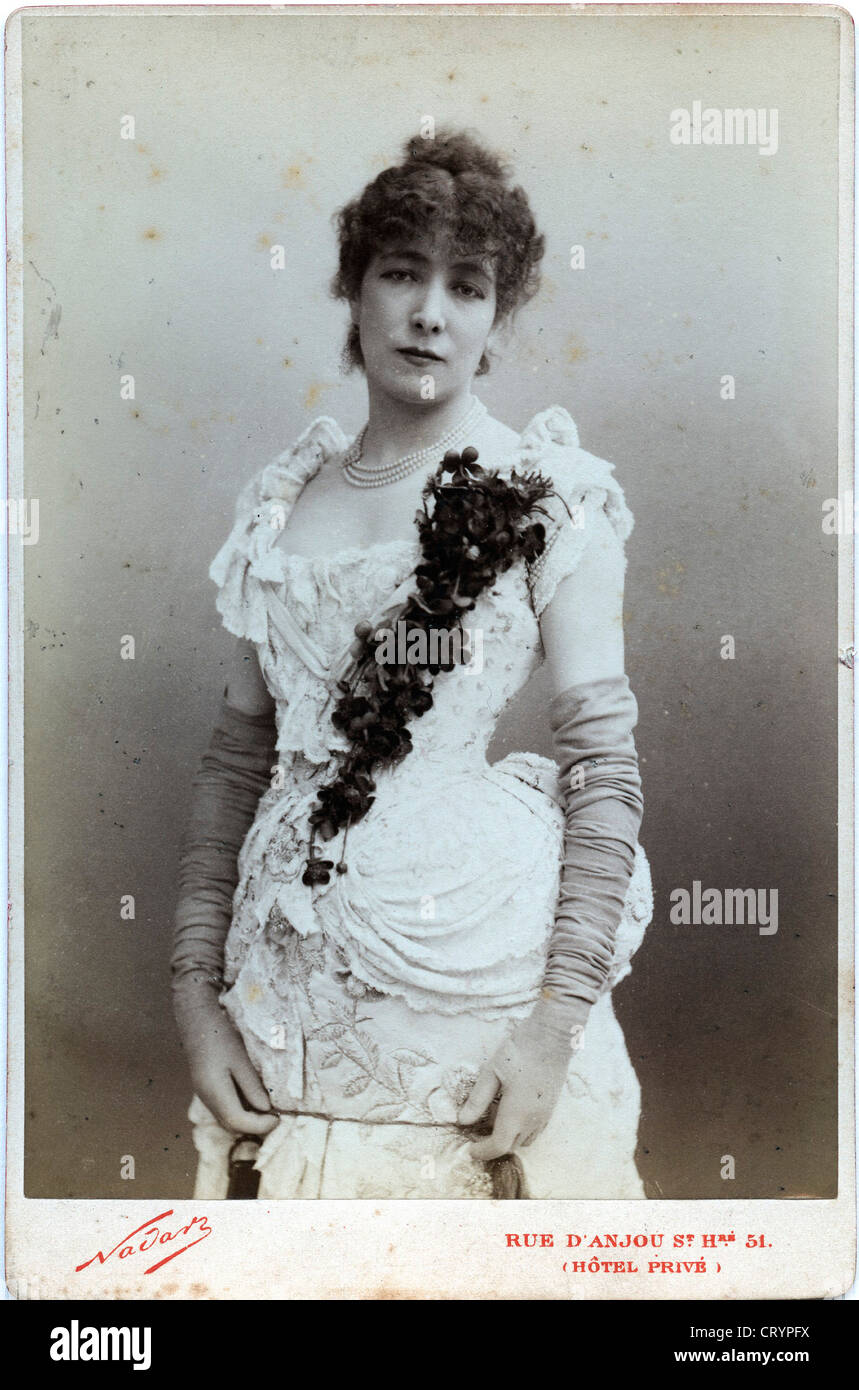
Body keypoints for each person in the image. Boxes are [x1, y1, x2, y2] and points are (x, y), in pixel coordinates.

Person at [172, 129, 654, 1200]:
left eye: (466, 286)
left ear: (494, 319)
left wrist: (555, 1028)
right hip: (275, 994)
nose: (430, 311)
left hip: (472, 974)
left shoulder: (553, 493)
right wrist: (195, 998)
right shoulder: (280, 502)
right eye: (401, 273)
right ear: (355, 294)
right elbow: (234, 761)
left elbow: (603, 774)